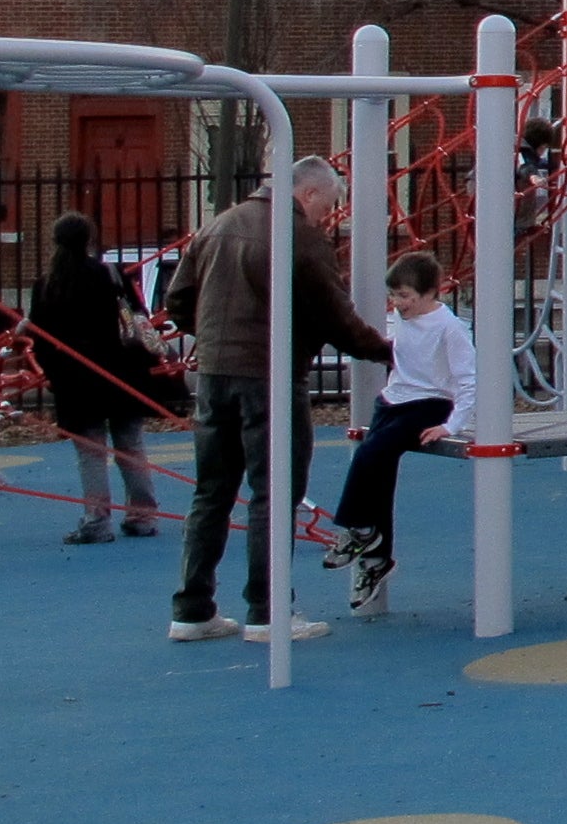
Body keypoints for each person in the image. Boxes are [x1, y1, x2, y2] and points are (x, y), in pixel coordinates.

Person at [160, 158, 395, 646]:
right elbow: (336, 315)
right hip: (270, 373)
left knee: (212, 489)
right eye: (328, 206)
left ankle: (192, 606)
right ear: (308, 194)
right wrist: (385, 350)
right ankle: (267, 610)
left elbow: (179, 297)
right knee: (274, 490)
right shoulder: (299, 239)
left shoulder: (218, 225)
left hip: (215, 372)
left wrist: (210, 336)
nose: (327, 217)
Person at [322, 250, 475, 616]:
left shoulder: (449, 328)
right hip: (394, 401)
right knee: (379, 472)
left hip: (429, 404)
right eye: (395, 295)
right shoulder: (401, 318)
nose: (398, 303)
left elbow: (468, 381)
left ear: (429, 294)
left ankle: (356, 529)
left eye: (405, 296)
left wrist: (451, 425)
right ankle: (376, 558)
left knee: (369, 455)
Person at [22, 213, 168, 544]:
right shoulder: (110, 276)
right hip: (120, 370)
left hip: (77, 379)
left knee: (90, 451)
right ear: (89, 240)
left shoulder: (47, 286)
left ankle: (97, 519)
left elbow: (42, 339)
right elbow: (136, 318)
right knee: (130, 445)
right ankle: (143, 515)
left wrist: (53, 374)